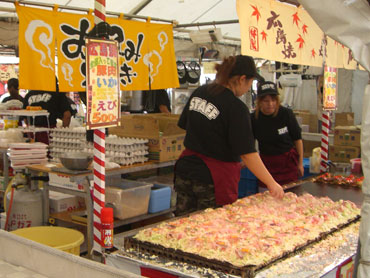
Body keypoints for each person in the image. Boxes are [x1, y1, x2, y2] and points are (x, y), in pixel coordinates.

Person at [174, 55, 284, 216]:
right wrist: (271, 183)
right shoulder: (236, 107)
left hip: (185, 171)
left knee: (183, 226)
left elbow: (186, 126)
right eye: (250, 83)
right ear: (242, 79)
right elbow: (248, 154)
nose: (249, 88)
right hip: (212, 179)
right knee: (210, 229)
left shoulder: (200, 92)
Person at [251, 80, 304, 188]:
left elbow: (297, 139)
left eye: (273, 100)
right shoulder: (253, 119)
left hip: (287, 164)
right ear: (259, 101)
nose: (270, 104)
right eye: (266, 101)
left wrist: (300, 163)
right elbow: (250, 145)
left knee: (291, 199)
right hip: (267, 165)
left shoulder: (286, 114)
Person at [23, 78, 71, 144]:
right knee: (49, 153)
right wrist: (63, 135)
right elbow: (67, 115)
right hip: (49, 134)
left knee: (33, 153)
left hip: (32, 134)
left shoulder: (29, 94)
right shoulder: (57, 93)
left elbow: (25, 118)